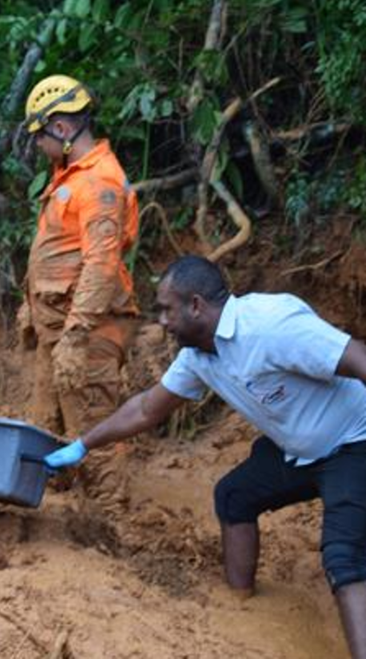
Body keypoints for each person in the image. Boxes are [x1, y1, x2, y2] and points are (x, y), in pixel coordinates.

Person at [44, 255, 366, 658]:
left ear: (196, 305)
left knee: (343, 555)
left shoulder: (271, 324)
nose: (161, 321)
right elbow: (147, 409)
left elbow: (358, 358)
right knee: (234, 496)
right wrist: (84, 444)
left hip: (354, 441)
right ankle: (242, 608)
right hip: (298, 450)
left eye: (166, 309)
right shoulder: (199, 357)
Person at [17, 75, 139, 438]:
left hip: (86, 334)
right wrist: (32, 307)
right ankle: (59, 492)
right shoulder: (70, 177)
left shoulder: (99, 182)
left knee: (92, 438)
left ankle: (105, 499)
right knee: (44, 435)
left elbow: (101, 264)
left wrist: (76, 337)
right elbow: (58, 249)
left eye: (40, 135)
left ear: (60, 127)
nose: (38, 144)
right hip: (56, 330)